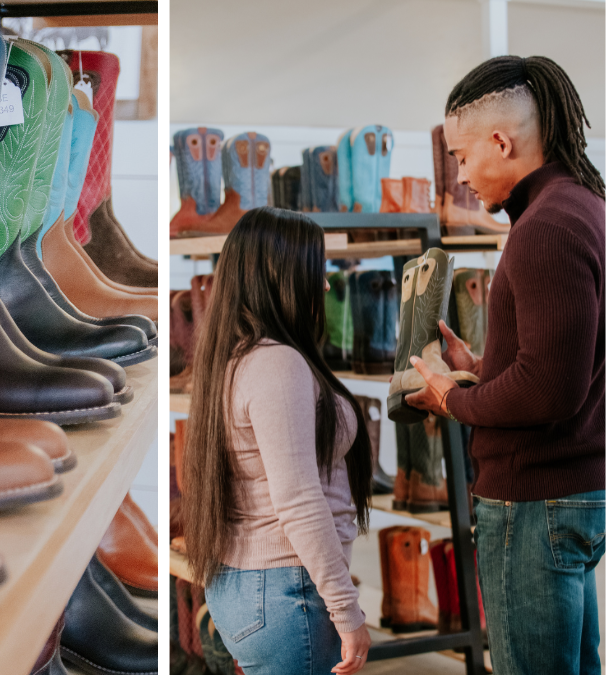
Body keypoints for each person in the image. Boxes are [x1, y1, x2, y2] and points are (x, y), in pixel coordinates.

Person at [405, 56, 605, 675]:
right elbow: (568, 355)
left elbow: (550, 388)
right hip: (567, 492)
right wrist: (483, 366)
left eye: (463, 156)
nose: (461, 177)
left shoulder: (545, 228)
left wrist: (451, 398)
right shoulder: (584, 207)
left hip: (533, 501)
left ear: (502, 141)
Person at [181, 207, 373, 675]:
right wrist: (347, 611)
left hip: (255, 587)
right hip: (286, 591)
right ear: (281, 276)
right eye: (317, 270)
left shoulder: (236, 357)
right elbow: (298, 498)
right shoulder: (277, 363)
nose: (325, 285)